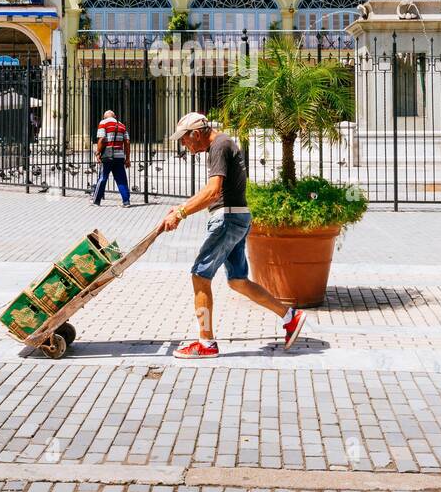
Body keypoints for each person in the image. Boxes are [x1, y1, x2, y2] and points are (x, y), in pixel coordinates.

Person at [160, 112, 307, 359]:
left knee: (200, 274)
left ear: (196, 134)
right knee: (237, 280)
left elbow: (213, 192)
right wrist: (181, 208)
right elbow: (212, 191)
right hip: (238, 217)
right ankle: (290, 316)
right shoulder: (223, 144)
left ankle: (205, 344)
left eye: (184, 139)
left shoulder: (219, 145)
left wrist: (181, 213)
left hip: (227, 219)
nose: (184, 144)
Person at [92, 110, 131, 207]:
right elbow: (127, 142)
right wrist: (128, 158)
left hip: (107, 156)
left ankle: (96, 201)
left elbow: (101, 139)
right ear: (115, 116)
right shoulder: (122, 125)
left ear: (105, 117)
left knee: (102, 178)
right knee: (121, 179)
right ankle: (126, 201)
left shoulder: (103, 123)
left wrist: (98, 153)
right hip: (120, 156)